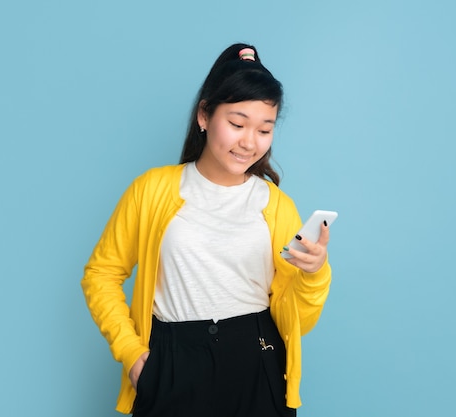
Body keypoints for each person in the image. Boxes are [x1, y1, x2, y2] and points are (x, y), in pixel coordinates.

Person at [81, 43, 332, 417]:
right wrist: (133, 355)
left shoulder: (277, 205)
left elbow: (298, 323)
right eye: (236, 123)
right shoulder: (152, 190)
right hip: (171, 362)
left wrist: (314, 274)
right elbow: (101, 275)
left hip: (257, 362)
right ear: (204, 115)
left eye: (265, 129)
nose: (250, 142)